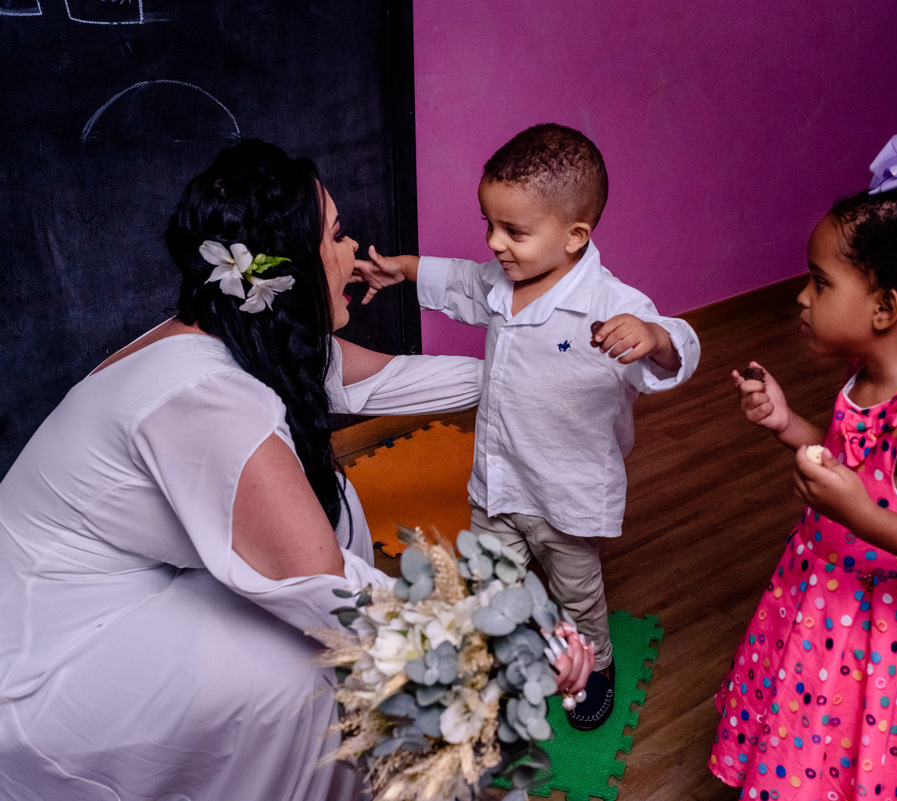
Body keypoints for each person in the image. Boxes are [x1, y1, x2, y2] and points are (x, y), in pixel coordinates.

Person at [0, 139, 592, 801]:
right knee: (309, 673)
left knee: (336, 516)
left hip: (118, 595)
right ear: (283, 265)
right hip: (40, 662)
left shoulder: (242, 332)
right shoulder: (206, 397)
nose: (352, 247)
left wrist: (541, 376)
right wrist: (506, 641)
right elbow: (326, 587)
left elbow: (393, 381)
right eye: (335, 235)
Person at [353, 123, 701, 730]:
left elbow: (682, 348)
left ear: (575, 236)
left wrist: (655, 337)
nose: (495, 243)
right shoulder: (501, 280)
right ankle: (497, 657)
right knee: (486, 582)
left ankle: (593, 664)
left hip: (565, 493)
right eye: (488, 224)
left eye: (513, 231)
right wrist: (403, 269)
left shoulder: (609, 304)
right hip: (499, 475)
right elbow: (458, 281)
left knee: (576, 594)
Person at [708, 135, 897, 800]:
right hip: (829, 601)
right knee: (817, 737)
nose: (802, 297)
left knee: (865, 752)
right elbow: (859, 465)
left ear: (885, 308)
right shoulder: (869, 375)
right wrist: (786, 424)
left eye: (819, 282)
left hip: (890, 634)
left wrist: (859, 515)